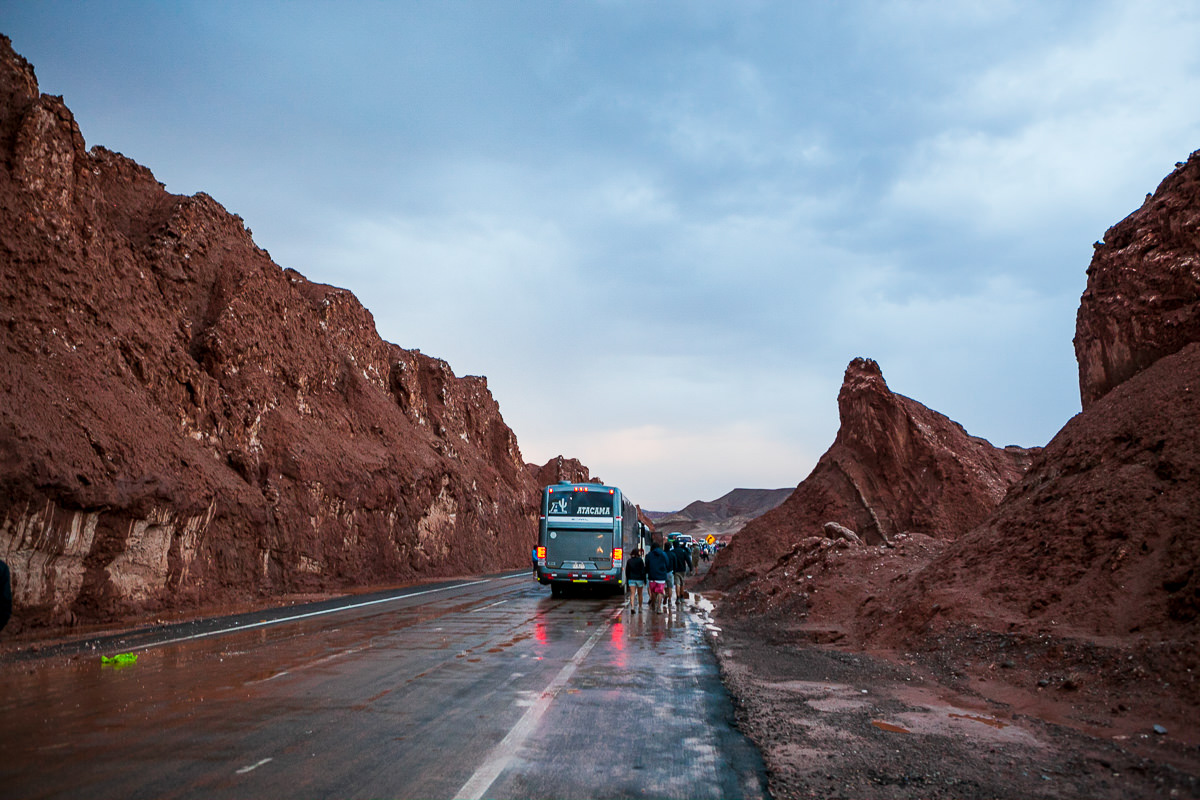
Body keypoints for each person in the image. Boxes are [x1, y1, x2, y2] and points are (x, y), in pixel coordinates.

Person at [644, 537, 672, 614]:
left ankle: (653, 603)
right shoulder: (663, 554)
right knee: (660, 592)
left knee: (653, 591)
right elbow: (667, 563)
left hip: (652, 576)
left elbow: (647, 565)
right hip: (661, 576)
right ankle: (659, 607)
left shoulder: (649, 555)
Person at [671, 538, 693, 606]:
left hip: (675, 570)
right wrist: (691, 568)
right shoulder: (683, 551)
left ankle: (678, 598)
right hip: (683, 569)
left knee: (677, 583)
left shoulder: (672, 551)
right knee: (682, 583)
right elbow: (688, 560)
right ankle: (682, 597)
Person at [625, 548, 647, 613]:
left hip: (631, 579)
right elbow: (643, 571)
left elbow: (627, 571)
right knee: (640, 594)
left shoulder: (629, 561)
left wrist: (628, 579)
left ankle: (632, 607)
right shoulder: (640, 561)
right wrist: (644, 580)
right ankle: (640, 607)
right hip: (639, 579)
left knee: (632, 593)